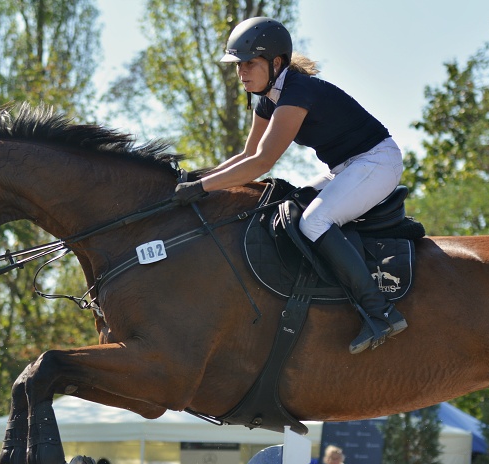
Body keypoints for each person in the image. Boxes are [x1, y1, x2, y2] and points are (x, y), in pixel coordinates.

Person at [172, 17, 406, 354]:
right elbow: (248, 153)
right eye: (239, 64)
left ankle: (380, 312)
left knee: (315, 221)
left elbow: (262, 163)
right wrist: (198, 178)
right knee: (289, 209)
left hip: (377, 162)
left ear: (276, 62)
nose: (241, 72)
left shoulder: (298, 91)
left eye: (249, 63)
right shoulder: (268, 98)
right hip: (348, 168)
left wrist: (203, 189)